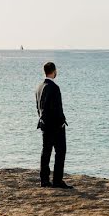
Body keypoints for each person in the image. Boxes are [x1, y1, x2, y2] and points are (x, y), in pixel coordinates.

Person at [35, 61, 71, 189]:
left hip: (44, 125)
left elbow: (38, 107)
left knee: (46, 152)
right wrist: (61, 122)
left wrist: (42, 120)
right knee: (60, 152)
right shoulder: (54, 88)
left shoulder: (39, 87)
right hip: (55, 126)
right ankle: (57, 180)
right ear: (54, 71)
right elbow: (57, 108)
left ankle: (44, 180)